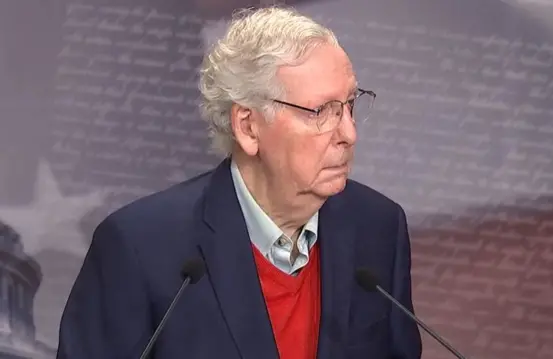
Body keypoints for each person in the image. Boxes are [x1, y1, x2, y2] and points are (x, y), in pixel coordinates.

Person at [56, 6, 422, 359]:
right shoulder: (139, 249)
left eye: (349, 106)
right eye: (321, 111)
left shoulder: (380, 228)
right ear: (247, 127)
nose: (348, 133)